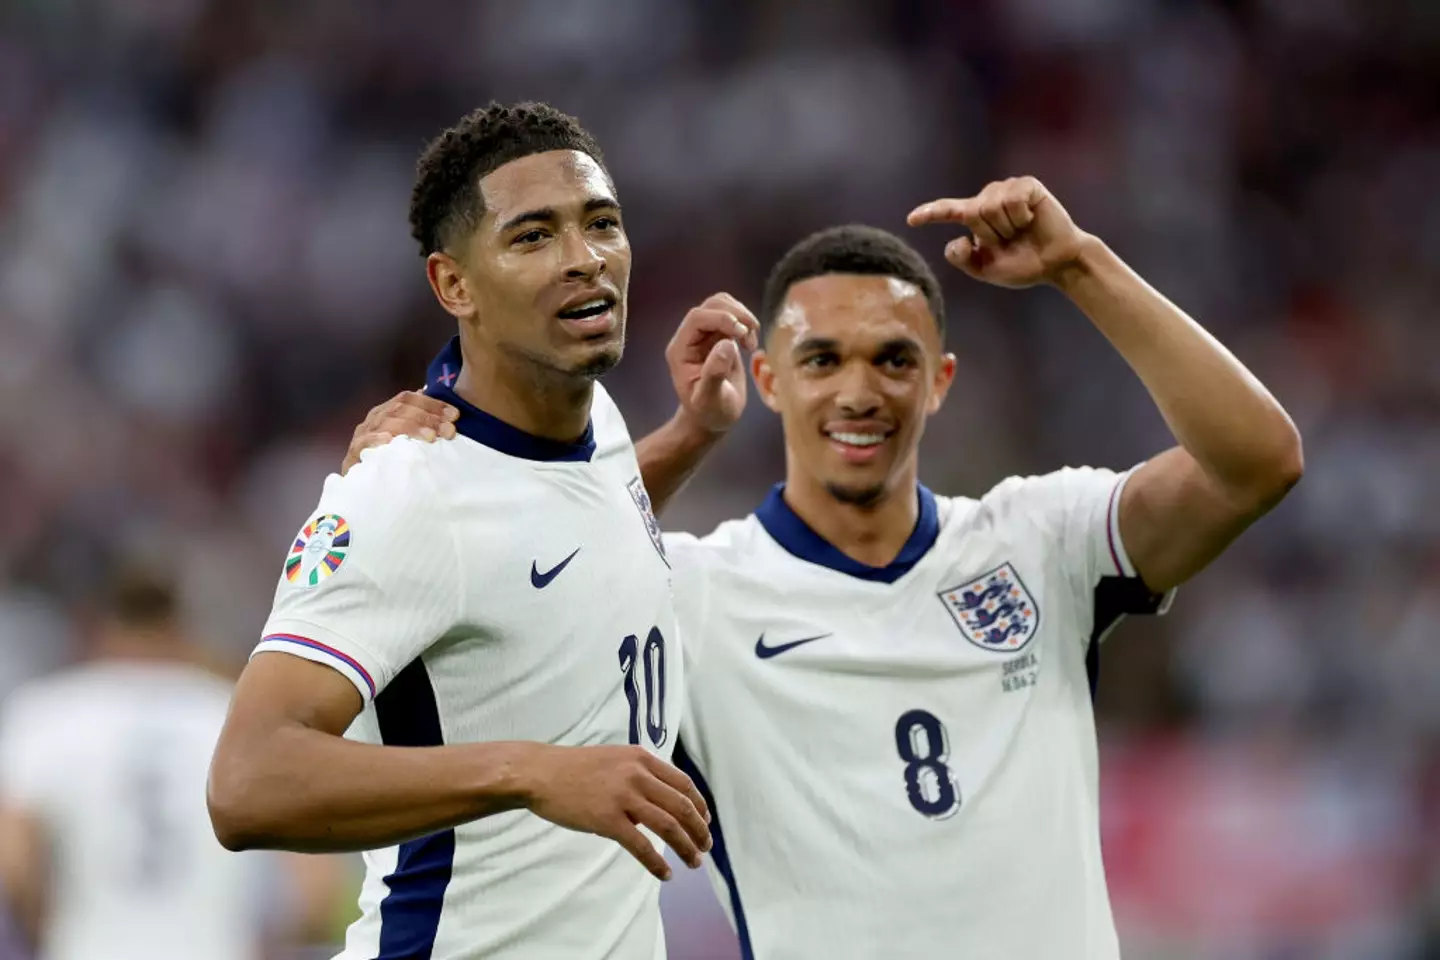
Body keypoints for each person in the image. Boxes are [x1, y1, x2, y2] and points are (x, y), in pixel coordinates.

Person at [349, 176, 1303, 959]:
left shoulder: (1041, 540)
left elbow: (1258, 462)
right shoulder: (691, 593)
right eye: (822, 360)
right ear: (768, 378)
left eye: (894, 360)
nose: (860, 391)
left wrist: (1080, 264)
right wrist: (426, 479)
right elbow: (514, 574)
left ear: (941, 380)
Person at [207, 102, 759, 960]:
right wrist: (534, 771)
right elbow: (246, 783)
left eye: (601, 224)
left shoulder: (593, 424)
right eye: (533, 236)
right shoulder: (403, 491)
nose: (586, 259)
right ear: (454, 285)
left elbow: (563, 531)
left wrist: (693, 433)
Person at [0, 565, 343, 960]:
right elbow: (317, 886)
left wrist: (43, 928)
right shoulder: (237, 715)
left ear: (98, 627)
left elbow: (15, 861)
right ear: (180, 628)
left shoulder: (48, 715)